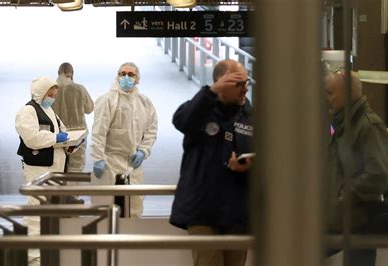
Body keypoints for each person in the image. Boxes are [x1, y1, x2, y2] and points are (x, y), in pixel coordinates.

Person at [170, 59, 254, 266]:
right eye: (238, 84)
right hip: (203, 210)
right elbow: (182, 121)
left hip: (237, 211)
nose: (245, 89)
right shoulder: (200, 110)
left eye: (247, 83)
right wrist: (211, 91)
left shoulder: (251, 117)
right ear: (220, 83)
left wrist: (250, 166)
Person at [325, 70, 388, 266]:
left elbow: (380, 173)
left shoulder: (367, 126)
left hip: (357, 220)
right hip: (345, 218)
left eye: (331, 93)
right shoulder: (345, 124)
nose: (326, 98)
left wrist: (346, 193)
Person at [90, 62, 158, 217]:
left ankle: (131, 239)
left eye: (131, 74)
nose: (126, 77)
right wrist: (98, 158)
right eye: (122, 73)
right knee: (106, 209)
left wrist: (143, 151)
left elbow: (151, 129)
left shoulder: (144, 103)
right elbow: (99, 132)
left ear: (137, 79)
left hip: (133, 164)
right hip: (110, 162)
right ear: (117, 76)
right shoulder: (107, 100)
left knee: (134, 206)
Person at [15, 76, 68, 265]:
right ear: (41, 92)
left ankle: (46, 251)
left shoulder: (49, 109)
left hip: (53, 169)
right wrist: (56, 138)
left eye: (55, 93)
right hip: (38, 170)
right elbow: (32, 138)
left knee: (49, 212)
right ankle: (34, 257)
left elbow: (61, 132)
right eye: (50, 92)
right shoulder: (28, 111)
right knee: (36, 213)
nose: (53, 96)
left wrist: (69, 143)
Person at [52, 62, 94, 173]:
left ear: (58, 73)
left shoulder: (51, 89)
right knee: (75, 170)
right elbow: (89, 109)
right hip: (77, 137)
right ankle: (72, 190)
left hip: (58, 136)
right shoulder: (80, 89)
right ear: (72, 74)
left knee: (56, 170)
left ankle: (57, 190)